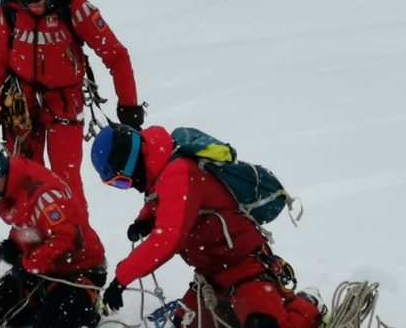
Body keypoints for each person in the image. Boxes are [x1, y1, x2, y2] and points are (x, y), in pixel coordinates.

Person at [90, 124, 326, 328]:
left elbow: (168, 239)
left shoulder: (178, 172)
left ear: (130, 161)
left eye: (122, 181)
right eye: (118, 185)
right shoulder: (160, 169)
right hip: (211, 277)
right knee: (184, 323)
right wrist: (145, 220)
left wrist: (121, 279)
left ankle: (310, 305)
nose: (129, 187)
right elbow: (161, 200)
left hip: (244, 268)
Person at [0, 0, 142, 216]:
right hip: (21, 104)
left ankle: (79, 244)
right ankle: (28, 244)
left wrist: (129, 105)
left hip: (64, 103)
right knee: (21, 181)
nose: (32, 4)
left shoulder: (72, 6)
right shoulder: (9, 9)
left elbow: (116, 55)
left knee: (66, 181)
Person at [0, 135, 107, 328]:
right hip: (45, 267)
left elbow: (69, 240)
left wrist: (29, 264)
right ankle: (46, 299)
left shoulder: (44, 195)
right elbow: (30, 224)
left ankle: (86, 305)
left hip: (81, 267)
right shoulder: (13, 188)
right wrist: (14, 244)